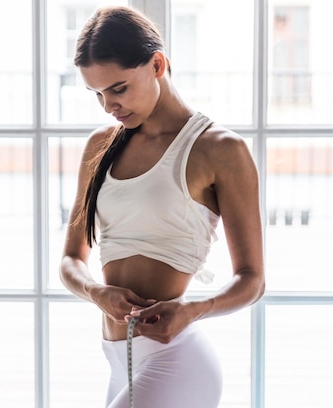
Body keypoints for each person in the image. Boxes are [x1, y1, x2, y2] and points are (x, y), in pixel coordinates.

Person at [60, 5, 265, 407]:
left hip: (176, 361)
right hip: (118, 360)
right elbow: (71, 258)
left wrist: (191, 309)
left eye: (118, 89)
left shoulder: (220, 150)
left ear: (157, 64)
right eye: (97, 94)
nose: (108, 106)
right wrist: (96, 292)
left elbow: (253, 280)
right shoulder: (100, 146)